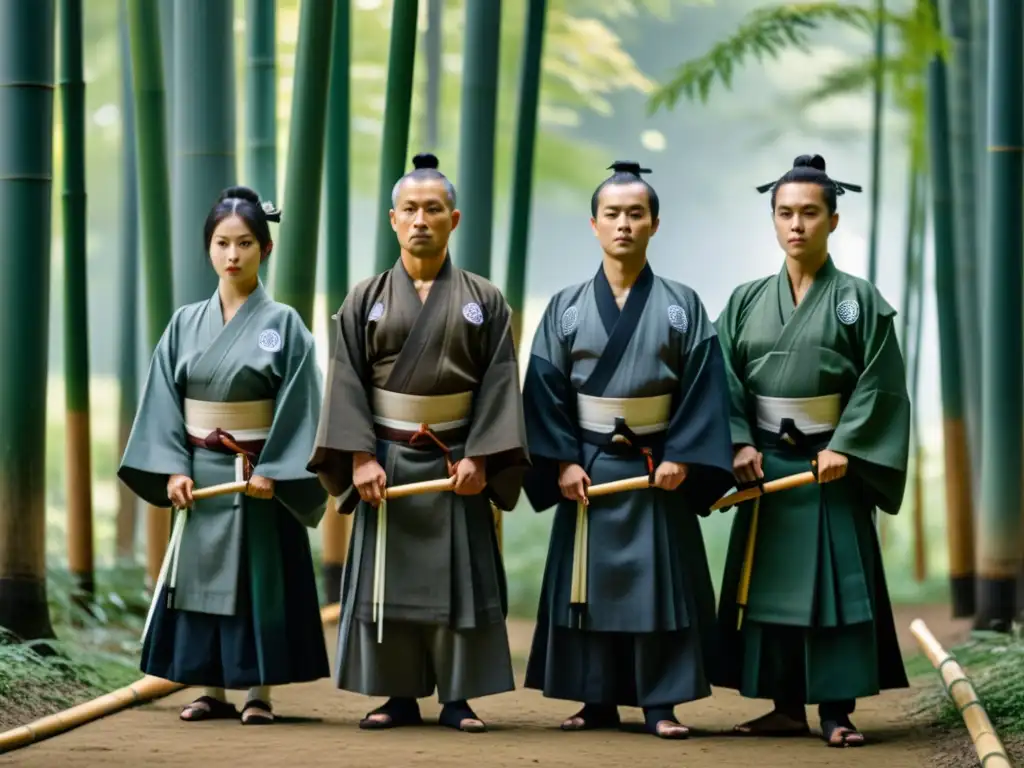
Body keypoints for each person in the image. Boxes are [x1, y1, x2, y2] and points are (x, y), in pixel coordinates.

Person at [307, 152, 529, 733]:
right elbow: (346, 380)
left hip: (458, 459)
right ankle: (395, 694)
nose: (421, 220)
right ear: (392, 219)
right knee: (391, 580)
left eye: (434, 209)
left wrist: (482, 456)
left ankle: (459, 697)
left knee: (460, 582)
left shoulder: (484, 299)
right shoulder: (365, 298)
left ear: (454, 219)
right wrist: (358, 457)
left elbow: (502, 382)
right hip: (387, 459)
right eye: (410, 209)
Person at [520, 161, 736, 739]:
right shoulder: (565, 307)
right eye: (612, 214)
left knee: (656, 586)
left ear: (654, 224)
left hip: (656, 465)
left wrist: (683, 456)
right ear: (593, 224)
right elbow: (542, 391)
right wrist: (561, 460)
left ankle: (661, 702)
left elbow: (703, 387)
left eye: (635, 214)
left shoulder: (680, 304)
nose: (623, 225)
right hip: (586, 466)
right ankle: (594, 701)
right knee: (587, 586)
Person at [712, 154, 911, 747]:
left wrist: (848, 444)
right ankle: (783, 706)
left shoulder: (858, 298)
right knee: (768, 588)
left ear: (833, 220)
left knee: (834, 588)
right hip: (768, 466)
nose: (796, 225)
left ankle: (836, 711)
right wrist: (741, 442)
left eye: (808, 213)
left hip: (831, 467)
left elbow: (881, 381)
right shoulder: (746, 300)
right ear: (772, 221)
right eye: (784, 214)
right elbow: (720, 377)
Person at [118, 186, 330, 725]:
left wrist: (279, 470)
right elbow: (163, 401)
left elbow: (303, 403)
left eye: (244, 243)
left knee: (258, 582)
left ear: (265, 249)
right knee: (201, 582)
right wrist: (170, 468)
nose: (232, 255)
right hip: (199, 473)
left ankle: (258, 692)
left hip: (258, 475)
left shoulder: (285, 326)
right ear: (207, 248)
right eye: (221, 243)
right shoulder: (184, 323)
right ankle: (208, 687)